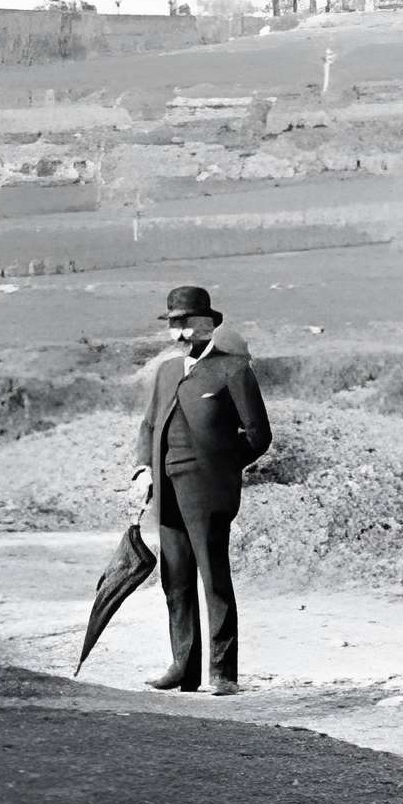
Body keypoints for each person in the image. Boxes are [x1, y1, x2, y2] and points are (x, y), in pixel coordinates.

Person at [131, 286, 273, 695]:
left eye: (188, 323)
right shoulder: (166, 372)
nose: (180, 333)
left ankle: (222, 673)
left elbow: (259, 435)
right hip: (166, 487)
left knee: (213, 579)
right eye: (174, 324)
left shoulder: (233, 370)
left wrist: (223, 470)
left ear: (208, 324)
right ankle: (183, 668)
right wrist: (143, 468)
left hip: (208, 490)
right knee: (174, 579)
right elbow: (147, 425)